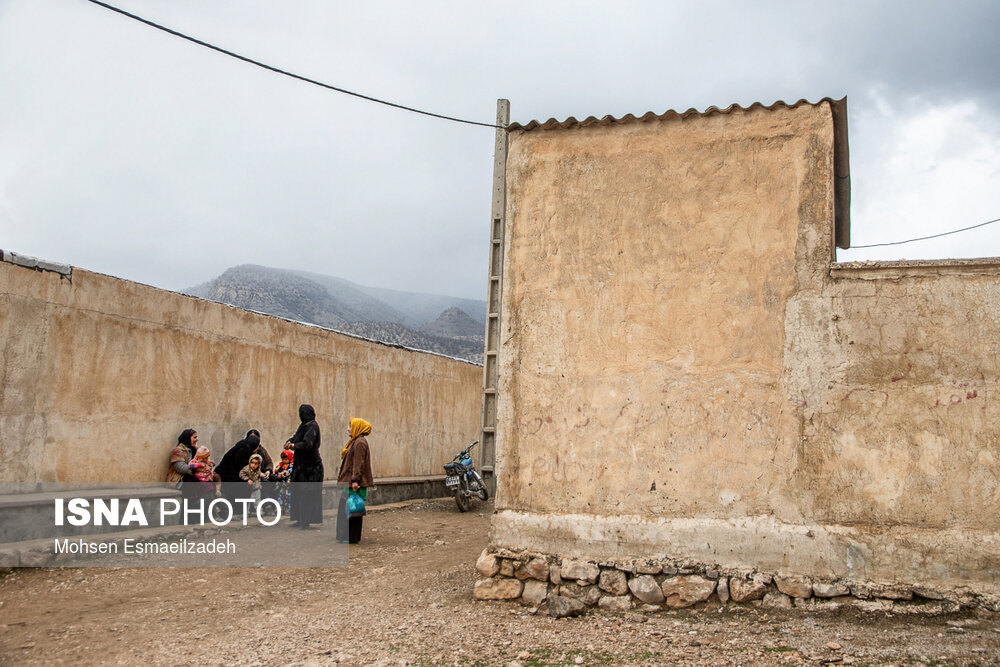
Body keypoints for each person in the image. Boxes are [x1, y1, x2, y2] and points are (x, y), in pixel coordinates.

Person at [337, 418, 374, 544]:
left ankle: (350, 536)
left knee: (352, 509)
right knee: (350, 508)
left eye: (351, 426)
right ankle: (348, 535)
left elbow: (358, 464)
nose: (348, 429)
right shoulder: (355, 442)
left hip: (354, 483)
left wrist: (355, 480)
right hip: (351, 481)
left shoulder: (359, 443)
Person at [287, 404, 323, 528]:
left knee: (308, 495)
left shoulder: (312, 426)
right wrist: (290, 441)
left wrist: (294, 446)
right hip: (301, 467)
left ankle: (306, 521)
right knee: (299, 493)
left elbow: (308, 444)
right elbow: (297, 438)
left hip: (311, 468)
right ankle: (300, 519)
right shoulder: (304, 426)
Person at [215, 429, 263, 500]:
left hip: (230, 476)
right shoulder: (244, 450)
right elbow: (240, 468)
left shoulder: (243, 446)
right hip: (228, 477)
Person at [166, 428, 201, 501]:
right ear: (187, 438)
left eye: (196, 437)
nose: (197, 439)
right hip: (180, 479)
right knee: (192, 486)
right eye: (194, 437)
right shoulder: (179, 450)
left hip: (193, 475)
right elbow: (179, 467)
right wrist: (195, 470)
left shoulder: (196, 450)